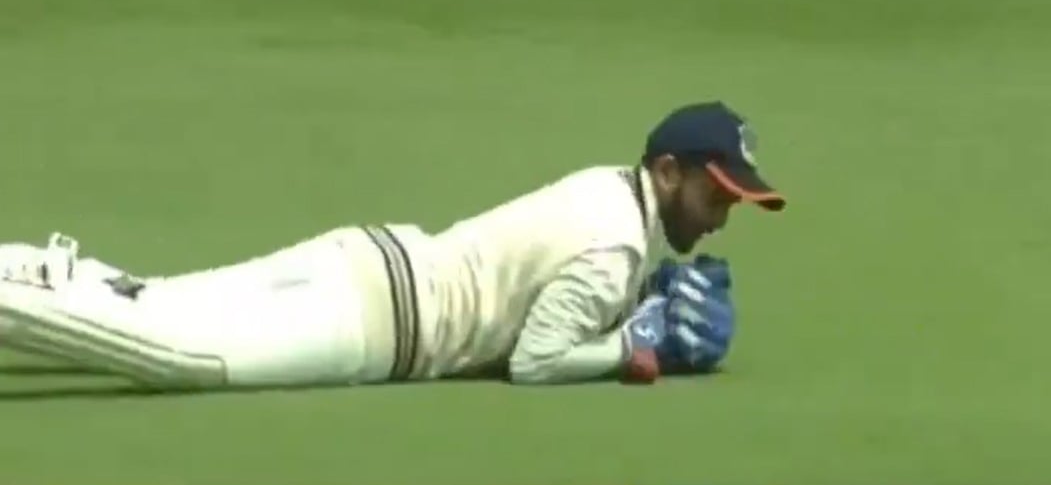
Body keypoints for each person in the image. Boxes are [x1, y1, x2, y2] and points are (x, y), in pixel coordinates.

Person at [0, 101, 784, 390]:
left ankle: (26, 269)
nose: (721, 214)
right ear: (668, 170)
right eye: (716, 192)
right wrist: (630, 350)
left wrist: (627, 309)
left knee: (158, 296)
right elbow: (535, 361)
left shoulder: (604, 189)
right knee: (181, 355)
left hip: (366, 258)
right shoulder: (617, 247)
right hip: (375, 325)